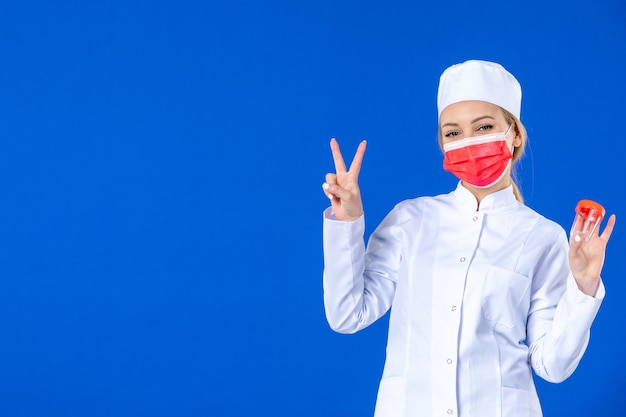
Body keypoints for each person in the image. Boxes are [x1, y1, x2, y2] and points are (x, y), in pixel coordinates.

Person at [320, 60, 616, 417]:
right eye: (454, 133)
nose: (470, 143)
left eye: (485, 127)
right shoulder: (410, 220)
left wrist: (583, 286)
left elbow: (552, 365)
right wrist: (347, 222)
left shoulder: (544, 237)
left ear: (515, 134)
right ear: (443, 144)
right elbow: (347, 314)